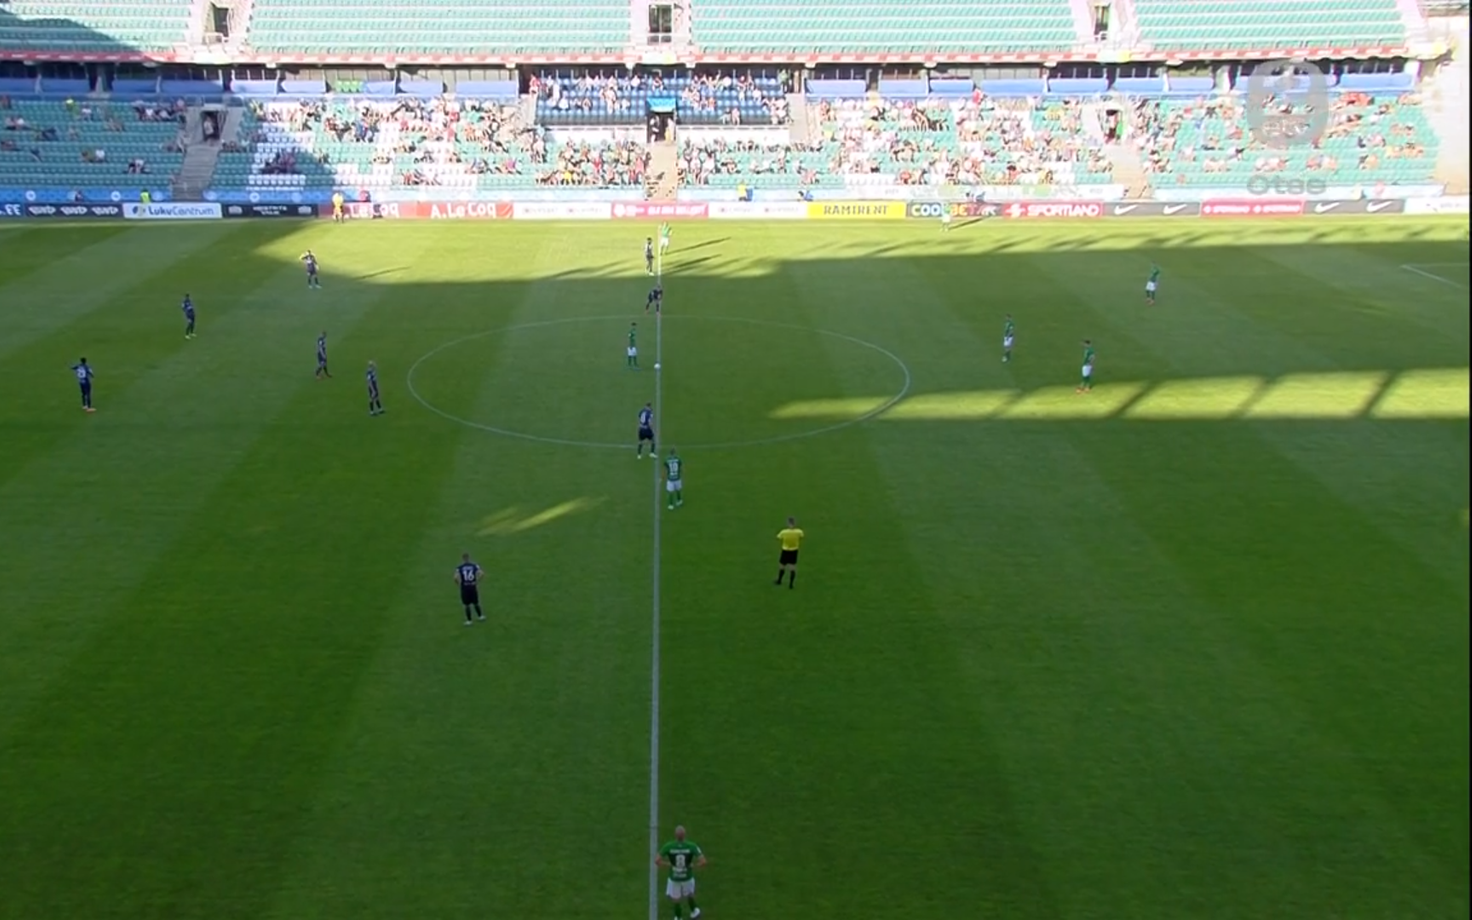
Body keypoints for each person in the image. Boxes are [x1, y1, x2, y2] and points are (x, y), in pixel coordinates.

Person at [655, 825, 706, 920]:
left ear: (675, 835)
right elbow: (703, 861)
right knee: (689, 894)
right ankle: (694, 911)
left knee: (676, 899)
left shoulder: (669, 846)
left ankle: (678, 917)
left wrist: (668, 864)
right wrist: (693, 866)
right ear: (685, 835)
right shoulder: (691, 846)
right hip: (687, 876)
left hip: (674, 877)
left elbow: (657, 860)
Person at [454, 554, 485, 625]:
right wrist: (477, 581)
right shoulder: (474, 566)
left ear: (463, 559)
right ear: (468, 558)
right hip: (472, 586)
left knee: (466, 604)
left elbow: (455, 578)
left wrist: (459, 584)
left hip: (465, 587)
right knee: (476, 602)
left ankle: (469, 620)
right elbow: (482, 574)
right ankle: (480, 616)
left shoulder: (459, 568)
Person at [775, 517, 803, 588]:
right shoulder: (799, 532)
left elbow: (778, 537)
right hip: (794, 550)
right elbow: (801, 537)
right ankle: (791, 584)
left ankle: (779, 580)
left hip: (785, 550)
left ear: (788, 523)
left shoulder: (784, 532)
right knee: (792, 567)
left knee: (782, 566)